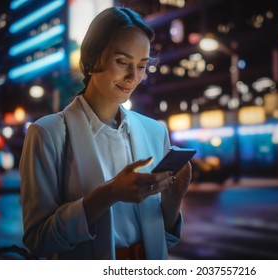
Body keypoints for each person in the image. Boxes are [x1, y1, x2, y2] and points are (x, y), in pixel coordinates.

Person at [19, 6, 192, 260]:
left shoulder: (155, 131)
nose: (133, 77)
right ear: (92, 58)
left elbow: (165, 239)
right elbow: (39, 240)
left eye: (142, 65)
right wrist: (109, 193)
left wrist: (174, 199)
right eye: (122, 62)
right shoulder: (47, 134)